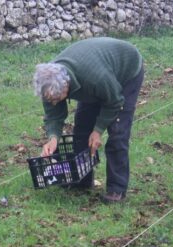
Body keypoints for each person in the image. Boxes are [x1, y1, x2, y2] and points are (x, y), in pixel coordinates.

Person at [33, 37, 144, 203]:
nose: (54, 103)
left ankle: (116, 189)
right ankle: (82, 181)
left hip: (126, 72)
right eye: (50, 100)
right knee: (82, 130)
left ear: (66, 86)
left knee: (117, 133)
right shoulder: (48, 84)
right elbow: (53, 116)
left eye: (56, 98)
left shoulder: (94, 78)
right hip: (96, 76)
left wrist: (98, 130)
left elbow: (115, 101)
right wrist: (53, 138)